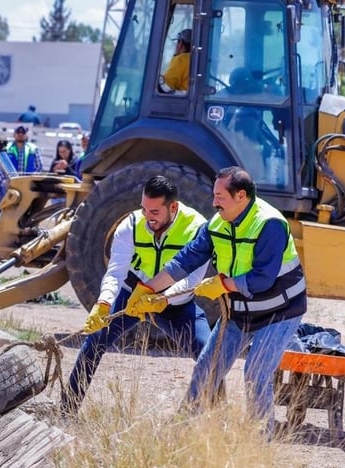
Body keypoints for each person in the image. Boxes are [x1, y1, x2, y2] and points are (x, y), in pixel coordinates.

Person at [125, 167, 307, 429]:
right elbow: (186, 260)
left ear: (241, 196)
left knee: (255, 373)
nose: (213, 202)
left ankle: (259, 440)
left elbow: (263, 279)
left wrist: (223, 284)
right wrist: (149, 288)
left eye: (220, 196)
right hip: (238, 312)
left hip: (280, 312)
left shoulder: (270, 224)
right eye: (214, 195)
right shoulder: (217, 224)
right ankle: (182, 428)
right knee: (207, 368)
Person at [64, 176, 211, 412]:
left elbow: (192, 280)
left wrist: (162, 298)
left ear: (173, 207)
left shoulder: (198, 228)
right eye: (144, 209)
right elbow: (115, 272)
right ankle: (67, 409)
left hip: (176, 302)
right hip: (132, 295)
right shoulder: (131, 225)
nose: (147, 217)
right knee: (95, 339)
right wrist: (103, 303)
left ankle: (217, 418)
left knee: (208, 353)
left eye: (154, 211)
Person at [161, 28, 192, 93]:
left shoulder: (181, 59)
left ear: (181, 44)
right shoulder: (197, 61)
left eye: (178, 42)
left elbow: (165, 87)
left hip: (181, 99)